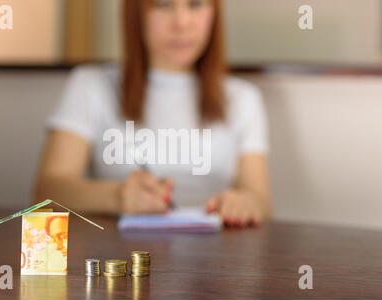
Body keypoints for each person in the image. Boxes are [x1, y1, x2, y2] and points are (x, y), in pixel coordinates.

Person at [33, 0, 271, 228]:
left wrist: (246, 204)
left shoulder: (243, 98)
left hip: (218, 260)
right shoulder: (89, 86)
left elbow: (260, 202)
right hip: (121, 258)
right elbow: (46, 194)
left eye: (196, 4)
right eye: (163, 4)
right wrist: (117, 197)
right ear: (135, 13)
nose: (182, 23)